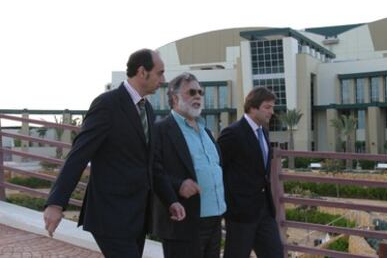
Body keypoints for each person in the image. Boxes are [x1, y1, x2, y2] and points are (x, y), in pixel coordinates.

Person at [43, 49, 185, 258]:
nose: (163, 80)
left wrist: (170, 200)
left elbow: (151, 163)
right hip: (110, 216)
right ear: (142, 72)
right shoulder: (107, 105)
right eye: (159, 73)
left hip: (137, 216)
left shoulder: (148, 110)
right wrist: (56, 203)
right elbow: (79, 155)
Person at [152, 72, 226, 258]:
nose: (198, 96)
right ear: (175, 97)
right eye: (191, 92)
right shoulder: (160, 130)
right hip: (183, 222)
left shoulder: (206, 131)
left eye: (200, 92)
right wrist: (178, 185)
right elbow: (151, 170)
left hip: (214, 219)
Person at [217, 87, 284, 258]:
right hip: (241, 214)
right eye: (267, 107)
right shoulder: (232, 133)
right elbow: (217, 169)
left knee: (275, 254)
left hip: (265, 210)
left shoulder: (263, 131)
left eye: (272, 107)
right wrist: (231, 203)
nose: (272, 112)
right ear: (253, 107)